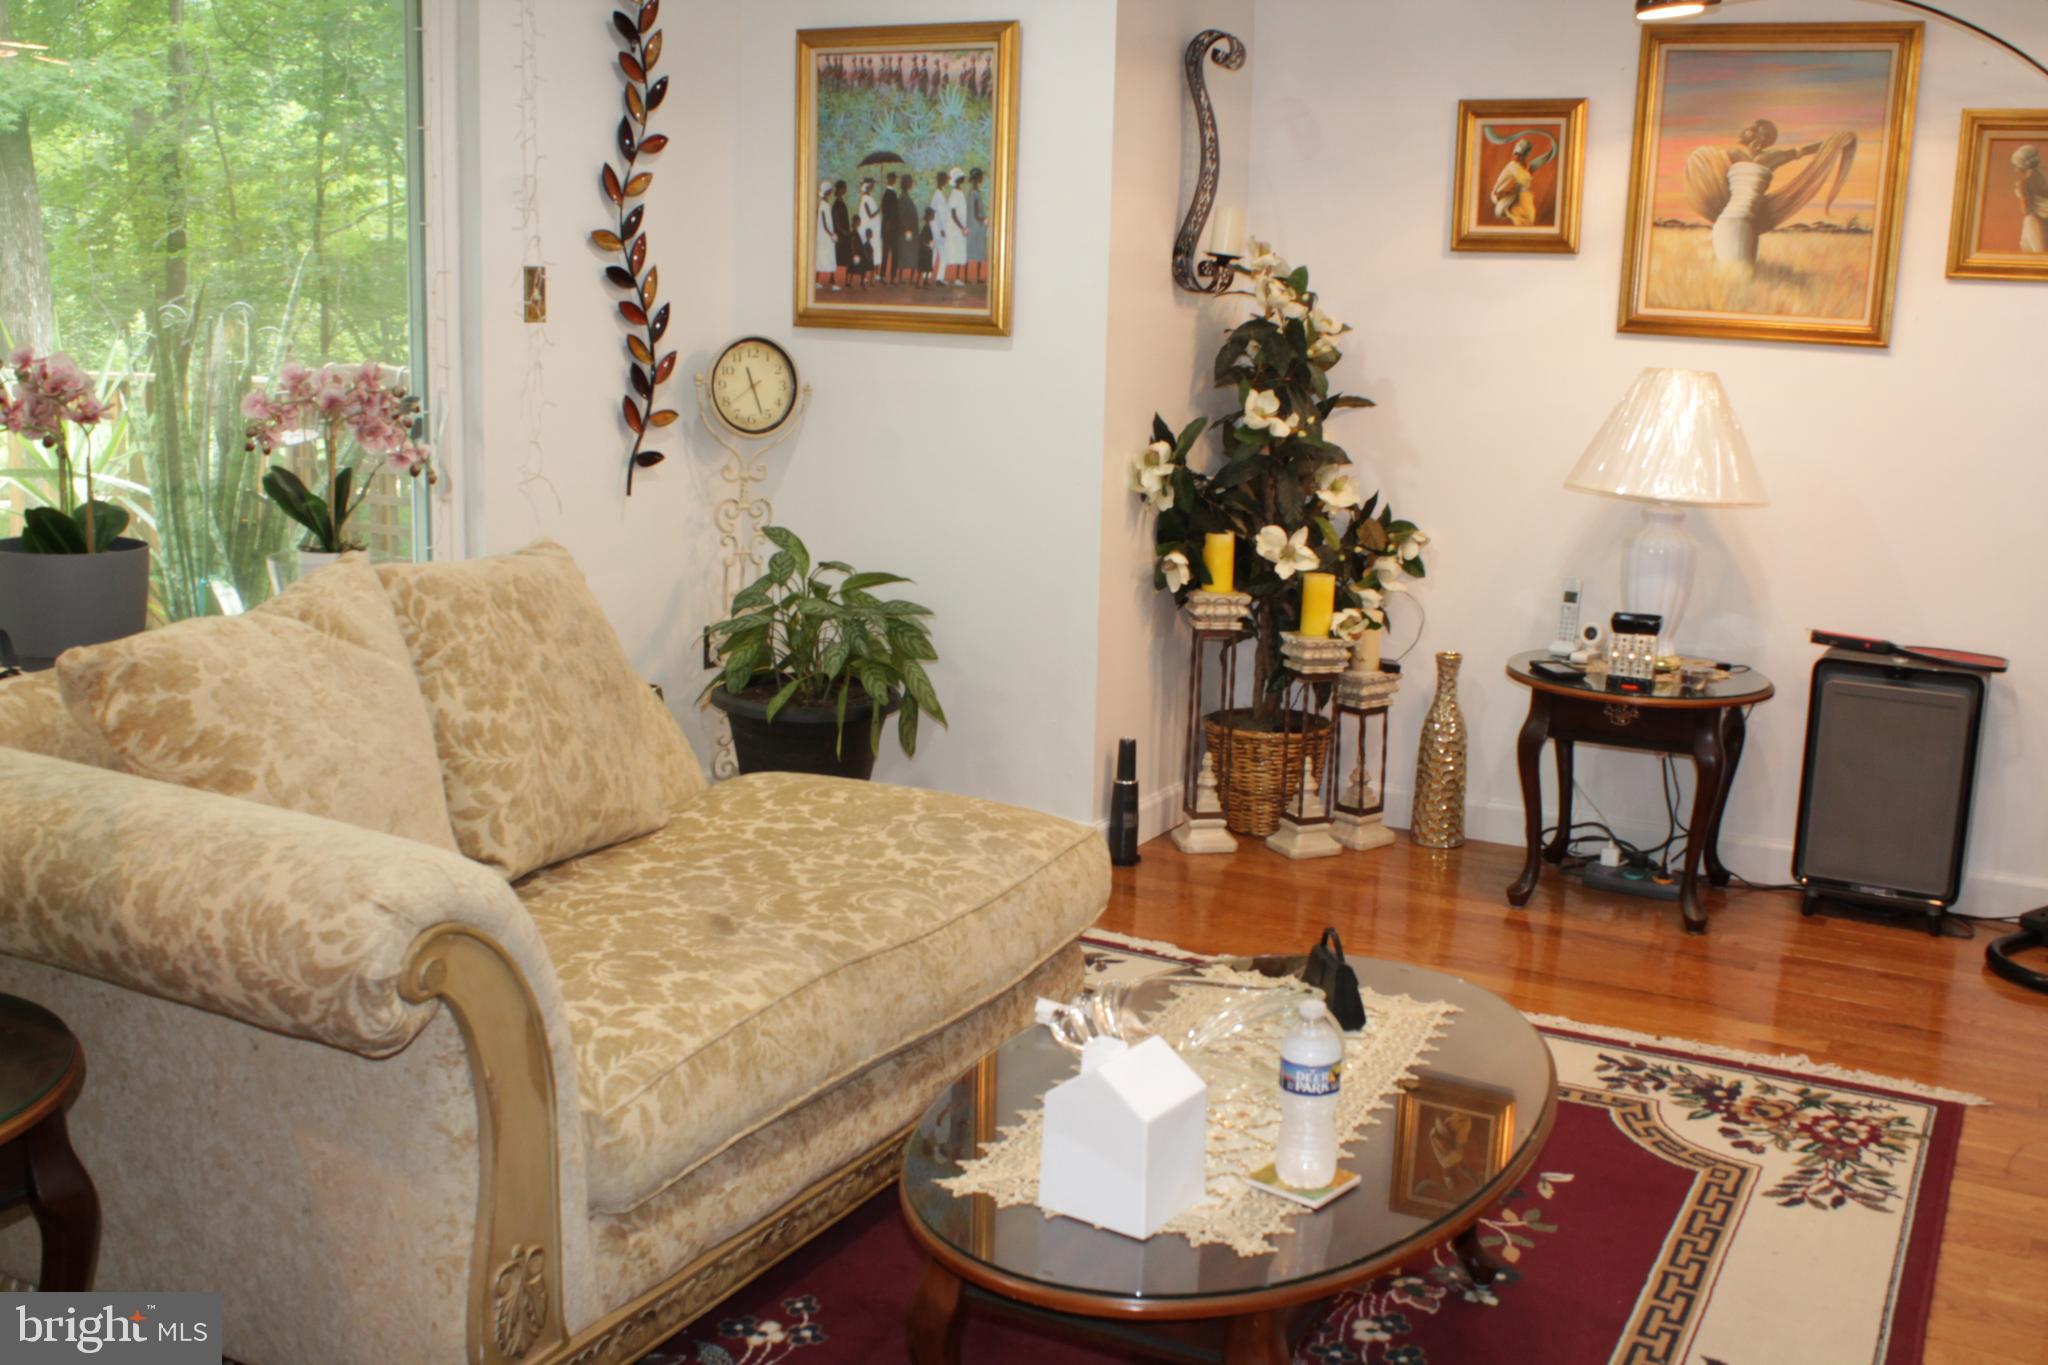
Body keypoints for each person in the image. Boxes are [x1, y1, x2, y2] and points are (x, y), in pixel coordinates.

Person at [1684, 118, 1858, 271]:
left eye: (1752, 128)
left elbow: (1807, 150)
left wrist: (1838, 141)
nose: (1746, 130)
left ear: (1760, 136)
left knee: (1743, 280)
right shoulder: (1732, 154)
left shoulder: (1768, 157)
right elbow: (1716, 181)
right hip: (1732, 223)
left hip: (1745, 227)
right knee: (1736, 279)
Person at [1490, 139, 1538, 226]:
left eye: (1521, 155)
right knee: (1523, 221)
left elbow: (1525, 180)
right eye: (1516, 154)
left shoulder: (1523, 166)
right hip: (1511, 201)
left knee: (1529, 220)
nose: (1518, 157)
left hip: (1523, 198)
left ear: (1525, 155)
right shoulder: (1512, 166)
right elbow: (1501, 190)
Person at [2014, 145, 2048, 254]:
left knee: (2036, 255)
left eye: (2016, 165)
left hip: (2032, 220)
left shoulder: (2023, 183)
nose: (2015, 169)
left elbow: (2026, 210)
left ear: (2022, 165)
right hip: (2045, 220)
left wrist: (2020, 194)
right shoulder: (2043, 178)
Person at [945, 170, 971, 286]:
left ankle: (959, 277)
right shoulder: (954, 193)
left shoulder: (960, 192)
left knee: (960, 252)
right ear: (958, 180)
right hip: (956, 228)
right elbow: (953, 213)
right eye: (961, 177)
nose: (963, 179)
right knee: (955, 252)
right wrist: (961, 227)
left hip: (961, 227)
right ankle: (955, 277)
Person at [857, 177, 883, 287]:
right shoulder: (865, 199)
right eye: (871, 184)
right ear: (867, 187)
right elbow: (870, 215)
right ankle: (866, 276)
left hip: (874, 229)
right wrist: (879, 209)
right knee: (868, 251)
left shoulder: (870, 199)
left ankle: (876, 274)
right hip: (868, 229)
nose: (873, 186)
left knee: (875, 249)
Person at [928, 173, 953, 285]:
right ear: (941, 180)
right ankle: (937, 278)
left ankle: (928, 276)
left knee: (935, 254)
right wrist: (941, 229)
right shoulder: (937, 196)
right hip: (938, 230)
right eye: (945, 179)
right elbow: (934, 214)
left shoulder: (939, 194)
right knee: (942, 255)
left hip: (938, 230)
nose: (946, 181)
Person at [895, 173, 920, 283]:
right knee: (904, 254)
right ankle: (900, 278)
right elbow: (900, 216)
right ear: (905, 183)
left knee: (910, 254)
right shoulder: (902, 198)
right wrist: (907, 229)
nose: (911, 184)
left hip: (911, 230)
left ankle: (909, 278)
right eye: (909, 182)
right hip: (907, 232)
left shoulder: (906, 196)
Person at [830, 179, 854, 289]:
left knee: (846, 256)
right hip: (840, 235)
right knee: (836, 256)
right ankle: (832, 277)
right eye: (844, 187)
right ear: (840, 189)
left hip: (844, 234)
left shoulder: (841, 202)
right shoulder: (836, 204)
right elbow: (836, 221)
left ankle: (846, 280)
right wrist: (844, 232)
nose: (845, 189)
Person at [813, 181, 837, 293]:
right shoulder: (824, 205)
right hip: (825, 236)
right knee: (827, 256)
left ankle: (825, 280)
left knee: (825, 256)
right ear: (827, 192)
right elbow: (824, 222)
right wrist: (831, 234)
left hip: (825, 235)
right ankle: (829, 282)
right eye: (830, 190)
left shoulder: (825, 204)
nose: (831, 191)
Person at [967, 167, 989, 284]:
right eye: (981, 176)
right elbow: (976, 214)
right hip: (977, 226)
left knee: (974, 251)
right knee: (979, 251)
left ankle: (971, 277)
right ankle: (977, 277)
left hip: (974, 225)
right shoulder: (975, 193)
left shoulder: (972, 192)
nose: (982, 178)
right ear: (977, 178)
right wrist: (985, 220)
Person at [879, 173, 900, 281]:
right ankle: (883, 276)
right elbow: (886, 211)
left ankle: (892, 276)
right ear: (888, 179)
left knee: (894, 253)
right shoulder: (888, 194)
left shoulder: (892, 193)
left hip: (893, 229)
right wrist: (888, 225)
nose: (893, 180)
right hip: (888, 229)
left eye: (894, 178)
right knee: (886, 253)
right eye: (891, 178)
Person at [917, 207, 936, 285]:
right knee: (923, 266)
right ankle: (918, 283)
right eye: (932, 214)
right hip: (924, 249)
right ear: (929, 215)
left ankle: (925, 282)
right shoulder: (925, 225)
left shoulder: (927, 224)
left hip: (927, 248)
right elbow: (922, 239)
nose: (934, 215)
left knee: (927, 266)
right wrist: (928, 245)